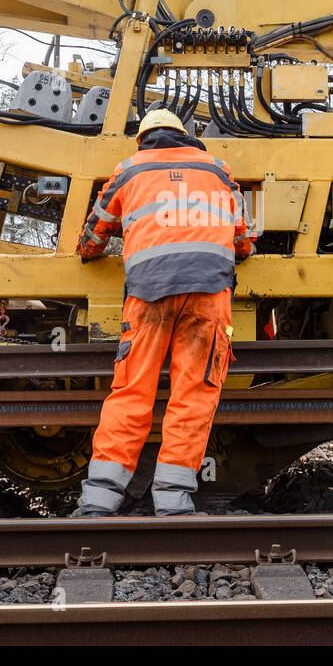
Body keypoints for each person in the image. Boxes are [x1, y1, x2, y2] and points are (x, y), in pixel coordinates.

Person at [73, 107, 256, 516]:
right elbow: (244, 238)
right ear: (185, 136)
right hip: (208, 294)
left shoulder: (129, 170)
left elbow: (94, 232)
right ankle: (173, 503)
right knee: (193, 395)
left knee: (131, 392)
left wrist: (88, 253)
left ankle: (99, 501)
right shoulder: (218, 171)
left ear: (144, 139)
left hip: (148, 294)